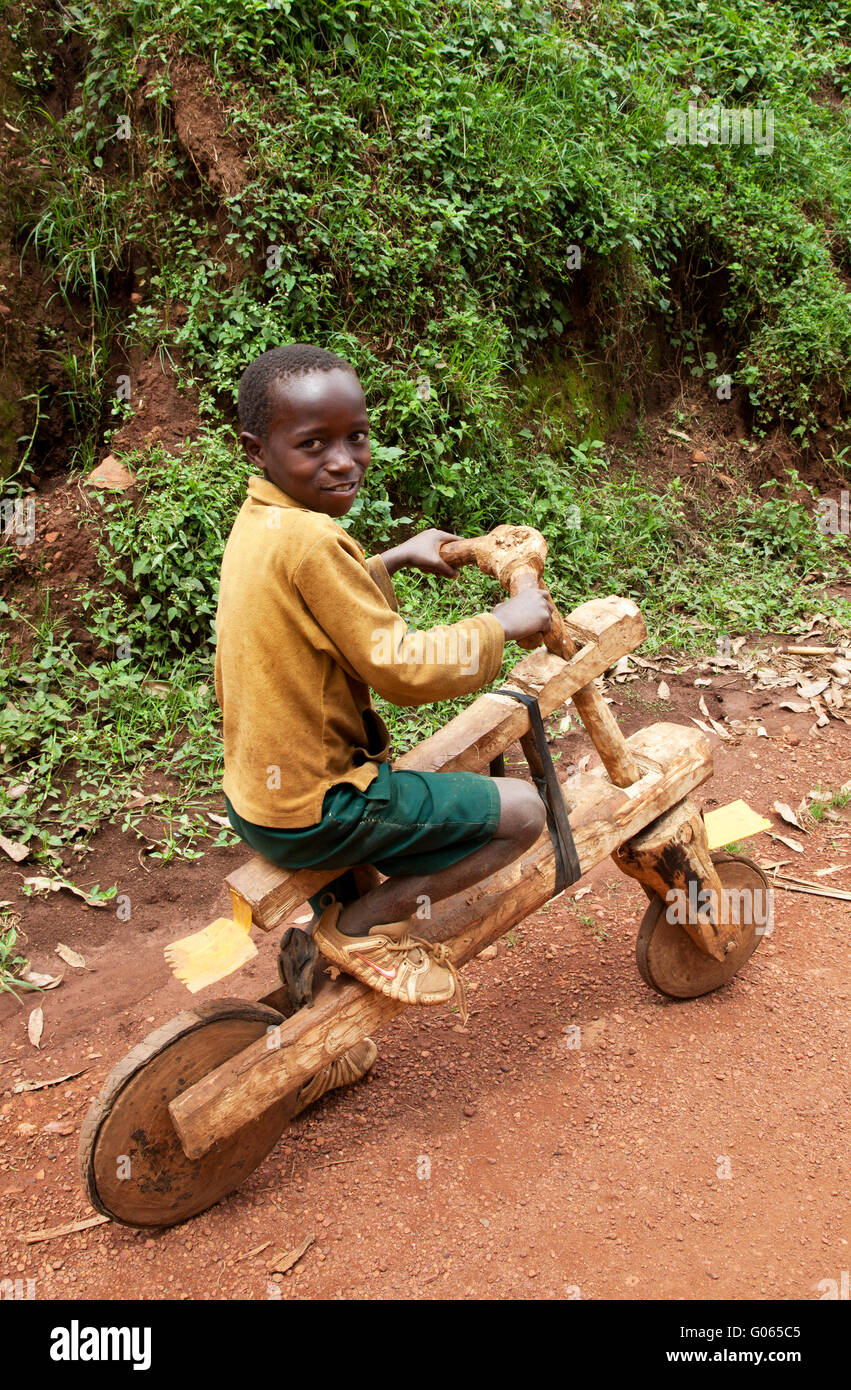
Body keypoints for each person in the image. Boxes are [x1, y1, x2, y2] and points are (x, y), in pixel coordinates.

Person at [215, 344, 552, 1102]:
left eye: (355, 437)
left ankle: (335, 955)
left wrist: (392, 559)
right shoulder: (310, 539)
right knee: (522, 814)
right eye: (313, 445)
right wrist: (504, 621)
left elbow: (319, 607)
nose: (343, 462)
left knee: (430, 805)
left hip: (258, 796)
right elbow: (398, 669)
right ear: (256, 447)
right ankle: (352, 929)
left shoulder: (265, 524)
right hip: (318, 804)